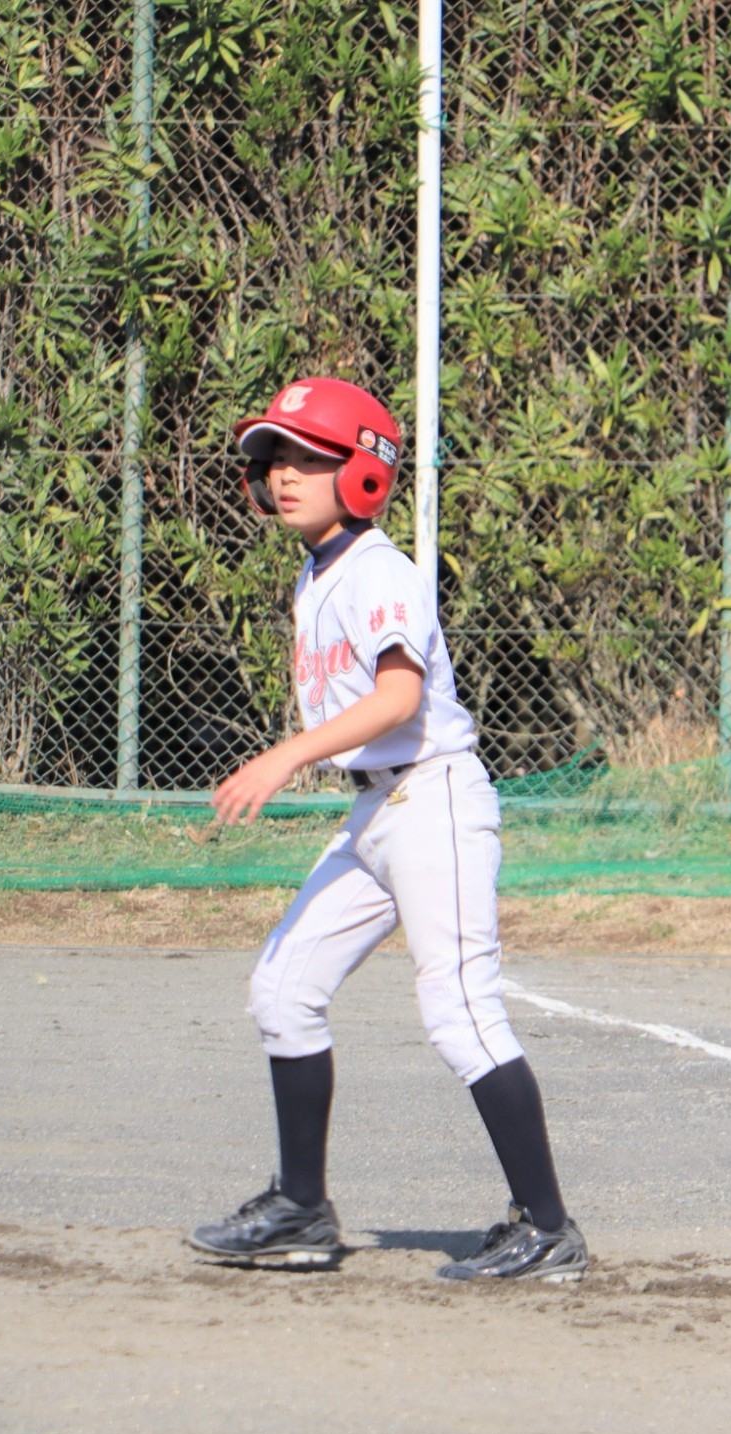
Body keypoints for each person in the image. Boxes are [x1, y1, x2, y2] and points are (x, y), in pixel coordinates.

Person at [186, 376, 587, 1283]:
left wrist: (284, 757)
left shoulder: (379, 571)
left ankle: (548, 1226)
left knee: (458, 1010)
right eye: (272, 460)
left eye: (307, 459)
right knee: (284, 988)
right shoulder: (316, 573)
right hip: (378, 808)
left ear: (360, 472)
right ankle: (299, 1209)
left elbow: (400, 697)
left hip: (433, 799)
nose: (282, 476)